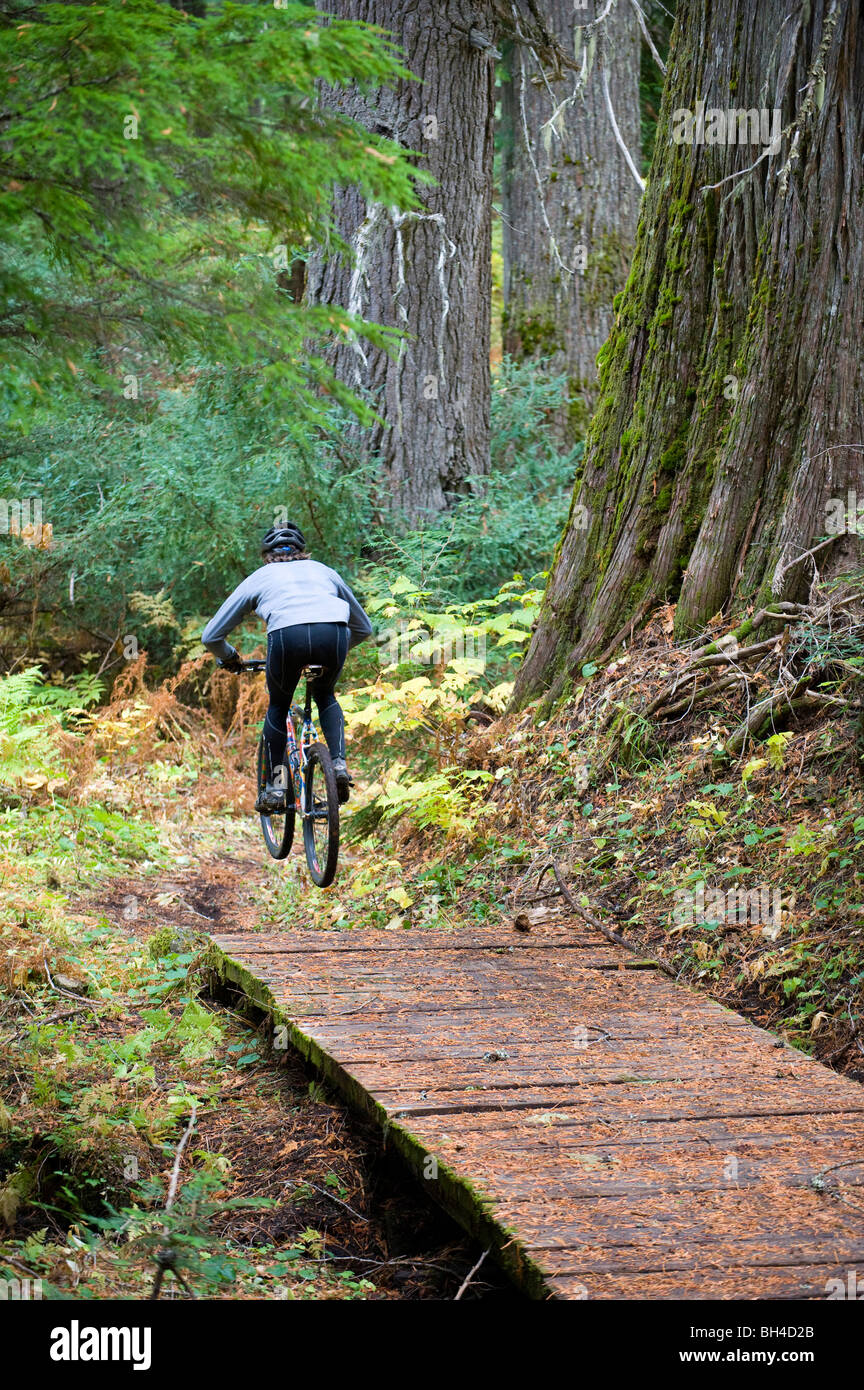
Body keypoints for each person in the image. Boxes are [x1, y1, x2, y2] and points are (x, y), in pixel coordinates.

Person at [201, 523, 373, 811]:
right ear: (302, 552)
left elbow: (211, 636)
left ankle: (277, 789)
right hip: (334, 634)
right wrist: (338, 649)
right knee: (326, 696)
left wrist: (230, 657)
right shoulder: (324, 571)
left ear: (267, 556)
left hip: (286, 636)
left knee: (278, 707)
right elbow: (364, 627)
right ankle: (340, 766)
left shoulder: (261, 577)